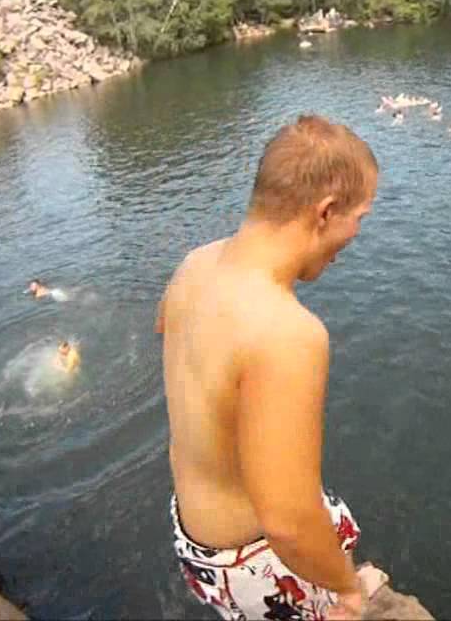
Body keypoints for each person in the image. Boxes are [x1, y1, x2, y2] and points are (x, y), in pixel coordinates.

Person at [157, 115, 378, 621]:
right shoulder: (287, 334)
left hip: (197, 540)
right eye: (359, 217)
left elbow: (167, 329)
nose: (356, 234)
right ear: (325, 211)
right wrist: (347, 591)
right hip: (257, 561)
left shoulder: (195, 264)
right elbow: (287, 522)